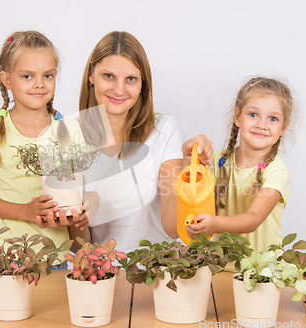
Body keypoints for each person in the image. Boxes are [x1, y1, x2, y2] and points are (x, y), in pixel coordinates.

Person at [70, 31, 213, 253]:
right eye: (108, 76)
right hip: (101, 274)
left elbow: (172, 227)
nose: (119, 89)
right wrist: (76, 214)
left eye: (131, 79)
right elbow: (78, 247)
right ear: (91, 75)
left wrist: (189, 167)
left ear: (142, 84)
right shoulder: (68, 133)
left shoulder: (164, 130)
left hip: (156, 269)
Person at [0, 31, 88, 268]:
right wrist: (26, 211)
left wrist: (75, 216)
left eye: (48, 75)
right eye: (27, 76)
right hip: (7, 255)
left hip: (55, 258)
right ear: (7, 80)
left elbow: (74, 194)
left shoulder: (69, 131)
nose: (39, 84)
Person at [186, 77, 294, 256]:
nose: (262, 125)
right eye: (253, 114)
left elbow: (253, 219)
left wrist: (214, 224)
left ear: (284, 127)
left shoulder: (276, 171)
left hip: (262, 271)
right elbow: (188, 192)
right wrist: (190, 154)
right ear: (238, 117)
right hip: (220, 266)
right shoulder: (217, 160)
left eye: (273, 118)